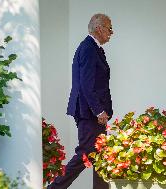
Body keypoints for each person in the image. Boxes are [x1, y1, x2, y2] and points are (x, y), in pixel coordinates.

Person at [47, 13, 113, 189]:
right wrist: (98, 110)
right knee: (86, 153)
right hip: (88, 112)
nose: (111, 33)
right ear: (99, 28)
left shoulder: (94, 48)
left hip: (91, 111)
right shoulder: (88, 48)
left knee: (99, 153)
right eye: (109, 28)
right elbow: (86, 84)